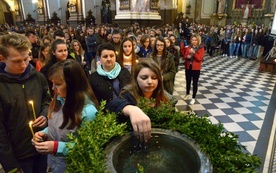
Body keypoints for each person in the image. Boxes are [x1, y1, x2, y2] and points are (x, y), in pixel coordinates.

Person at [33, 59, 99, 173]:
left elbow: (88, 147)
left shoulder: (88, 112)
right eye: (52, 83)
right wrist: (45, 133)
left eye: (58, 84)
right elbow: (58, 127)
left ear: (72, 84)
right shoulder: (58, 100)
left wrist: (57, 147)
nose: (53, 88)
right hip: (54, 165)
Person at [0, 33, 51, 173]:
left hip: (41, 147)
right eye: (16, 61)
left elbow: (47, 101)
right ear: (3, 58)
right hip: (18, 155)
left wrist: (45, 114)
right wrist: (11, 166)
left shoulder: (38, 77)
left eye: (26, 59)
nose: (23, 65)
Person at [106, 58, 175, 142]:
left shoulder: (167, 99)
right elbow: (111, 107)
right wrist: (131, 109)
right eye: (144, 78)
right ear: (136, 79)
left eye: (154, 78)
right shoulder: (128, 94)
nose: (150, 81)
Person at [183, 34, 204, 105]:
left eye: (195, 40)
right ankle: (187, 93)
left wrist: (194, 53)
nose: (194, 42)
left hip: (196, 68)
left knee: (195, 83)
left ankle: (193, 97)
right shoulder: (189, 47)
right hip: (188, 66)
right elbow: (185, 55)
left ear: (198, 41)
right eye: (193, 40)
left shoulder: (201, 48)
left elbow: (199, 58)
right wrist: (187, 56)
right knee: (187, 81)